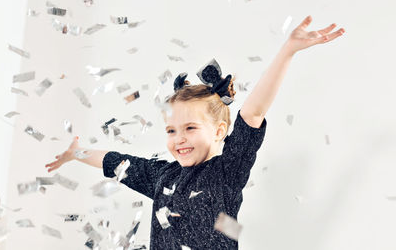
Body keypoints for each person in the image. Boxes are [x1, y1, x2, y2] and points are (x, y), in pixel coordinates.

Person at [45, 16, 345, 249]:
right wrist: (76, 153)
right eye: (172, 130)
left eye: (190, 128)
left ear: (219, 131)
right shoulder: (162, 176)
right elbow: (114, 160)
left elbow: (252, 113)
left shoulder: (227, 172)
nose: (179, 138)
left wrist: (288, 51)